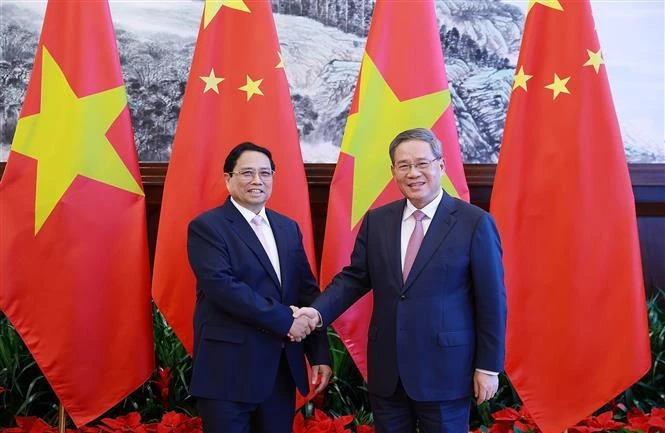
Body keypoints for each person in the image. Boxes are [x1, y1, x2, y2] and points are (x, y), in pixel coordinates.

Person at [295, 128, 507, 433]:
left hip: (446, 371)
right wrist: (316, 313)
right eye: (404, 165)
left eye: (422, 163)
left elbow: (491, 301)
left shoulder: (473, 223)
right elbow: (355, 278)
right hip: (388, 371)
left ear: (440, 166)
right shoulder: (378, 221)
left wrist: (488, 366)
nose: (413, 173)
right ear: (393, 171)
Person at [187, 142, 331, 433]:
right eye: (247, 173)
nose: (257, 181)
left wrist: (318, 354)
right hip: (228, 372)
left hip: (280, 371)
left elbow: (306, 291)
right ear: (228, 179)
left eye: (265, 173)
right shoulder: (207, 227)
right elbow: (222, 287)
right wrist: (286, 320)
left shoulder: (287, 227)